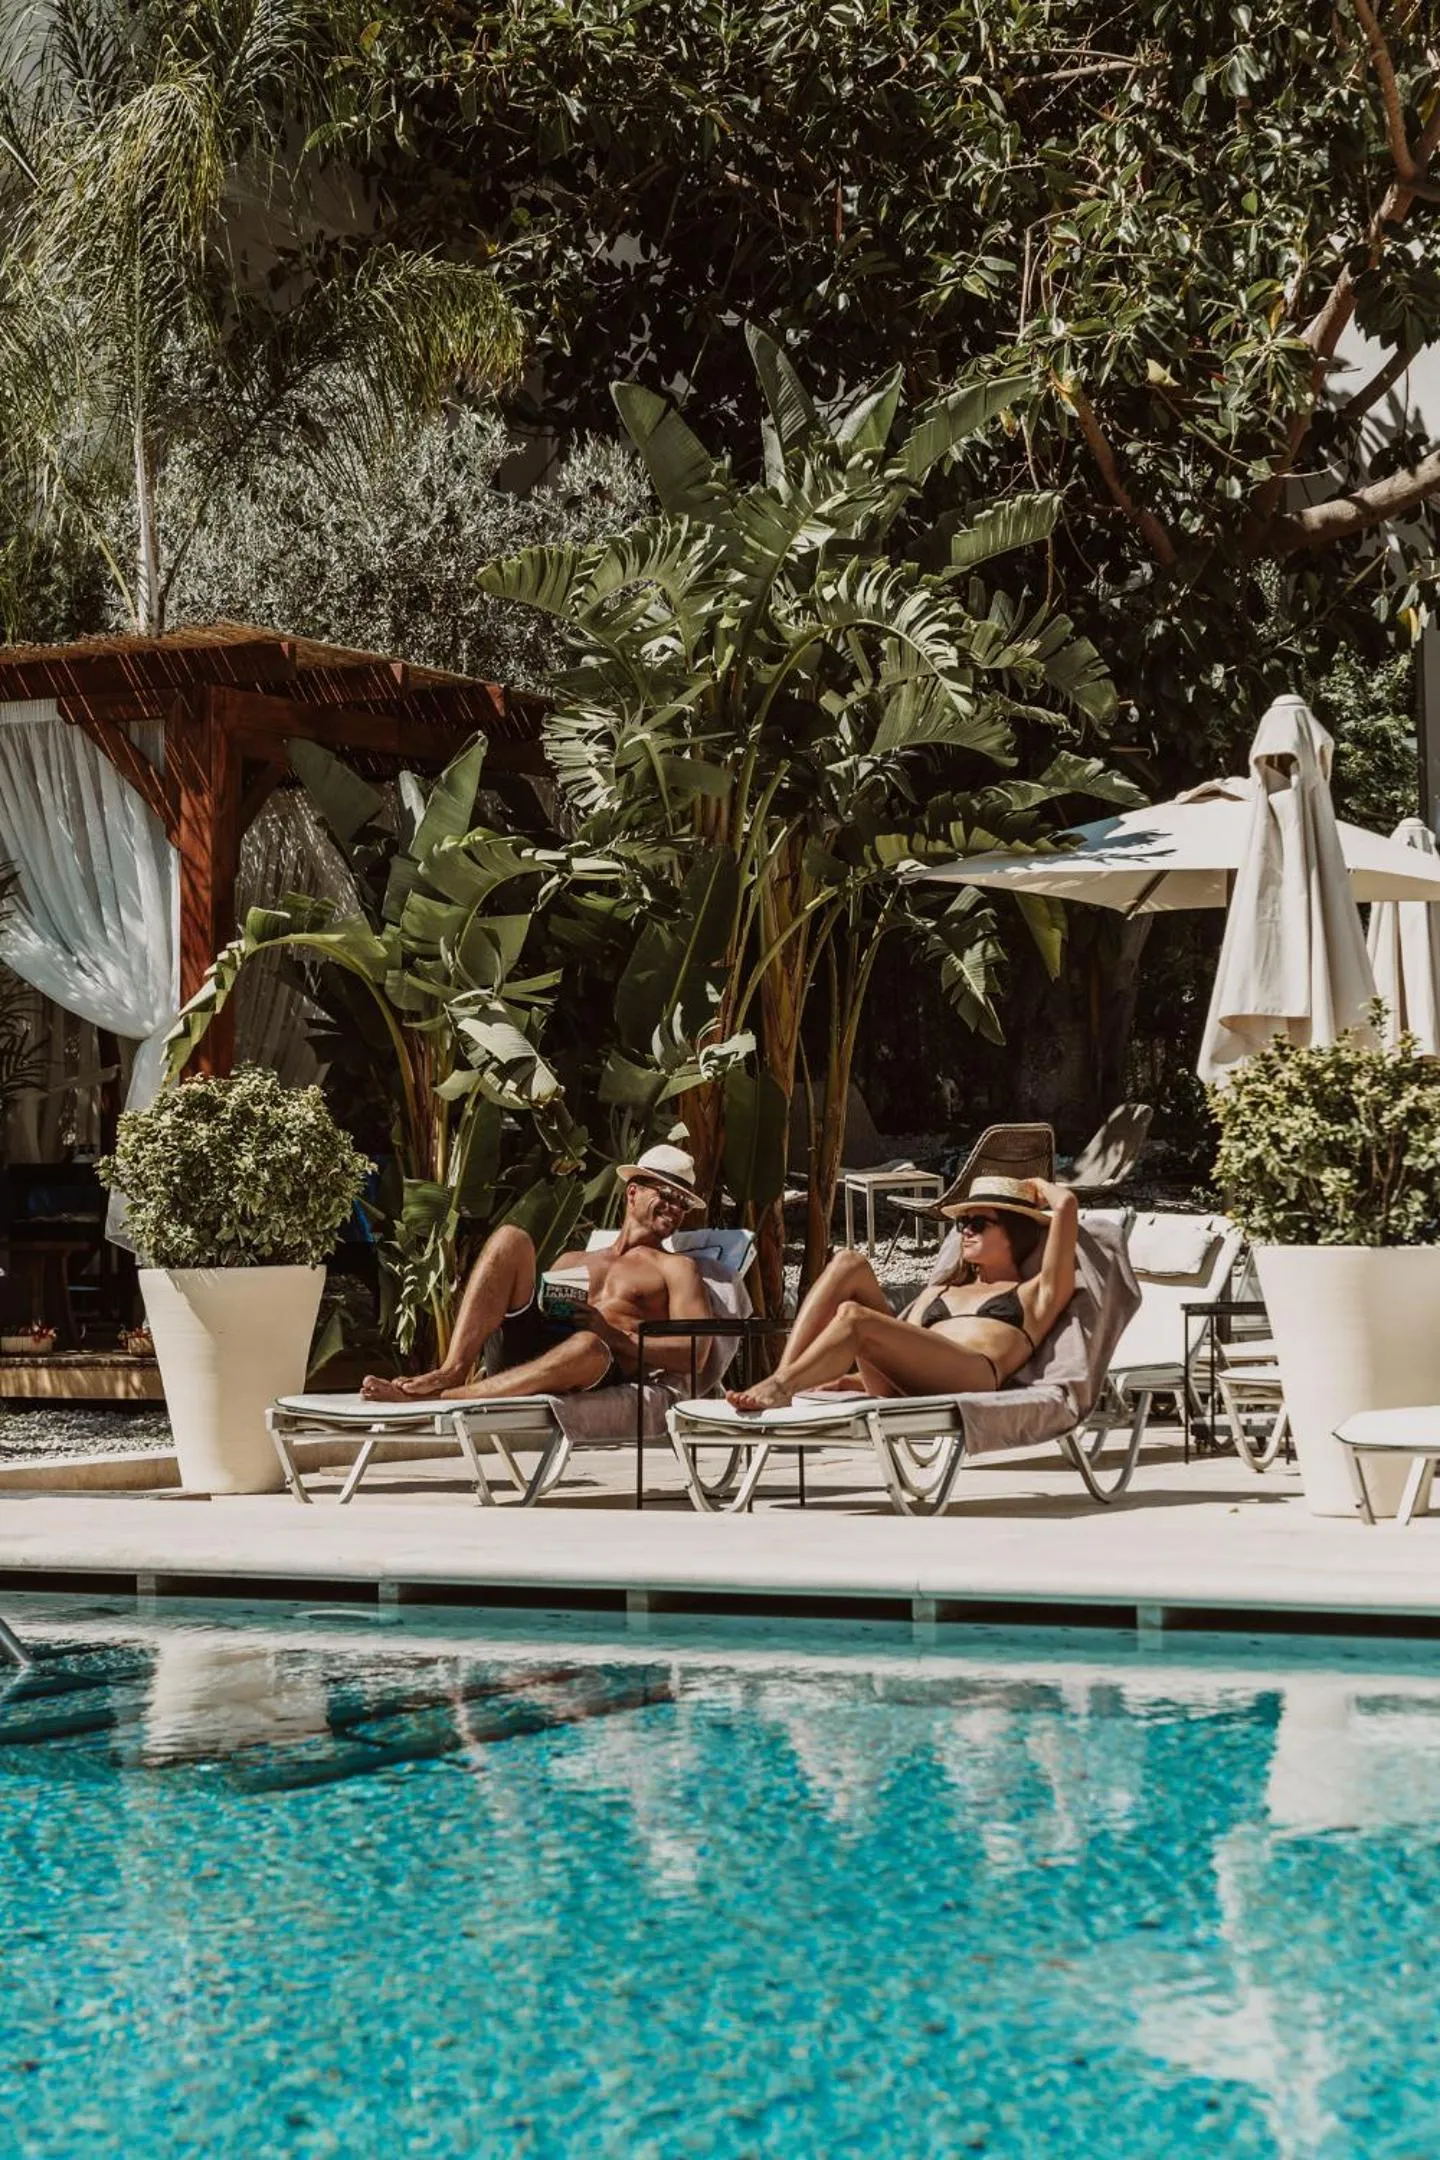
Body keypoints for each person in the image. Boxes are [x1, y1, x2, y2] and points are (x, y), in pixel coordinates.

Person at [360, 1143, 714, 1403]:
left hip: (592, 1365)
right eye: (666, 1193)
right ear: (633, 1193)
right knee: (510, 1238)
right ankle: (452, 1369)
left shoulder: (677, 1268)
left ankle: (444, 1399)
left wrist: (614, 1334)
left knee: (588, 1344)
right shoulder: (573, 1260)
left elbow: (696, 1354)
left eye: (683, 1202)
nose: (675, 1206)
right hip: (530, 1350)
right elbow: (528, 1314)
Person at [725, 1175, 1077, 1412]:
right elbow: (907, 1344)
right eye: (961, 1223)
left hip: (973, 1375)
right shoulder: (945, 1287)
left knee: (854, 1316)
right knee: (848, 1262)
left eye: (978, 1223)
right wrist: (856, 1378)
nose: (965, 1231)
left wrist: (1040, 1186)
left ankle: (780, 1387)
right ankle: (783, 1381)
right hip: (915, 1378)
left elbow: (1067, 1208)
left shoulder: (1035, 1293)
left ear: (1016, 1231)